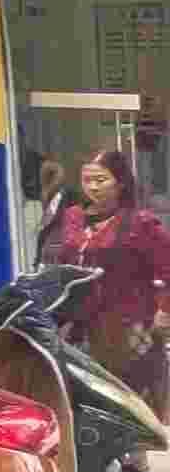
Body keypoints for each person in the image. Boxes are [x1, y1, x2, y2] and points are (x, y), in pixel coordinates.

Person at [51, 150, 170, 410]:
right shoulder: (73, 217)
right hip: (80, 327)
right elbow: (62, 265)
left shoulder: (141, 223)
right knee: (85, 402)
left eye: (101, 180)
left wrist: (164, 312)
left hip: (130, 329)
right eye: (87, 180)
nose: (93, 187)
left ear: (121, 182)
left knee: (131, 404)